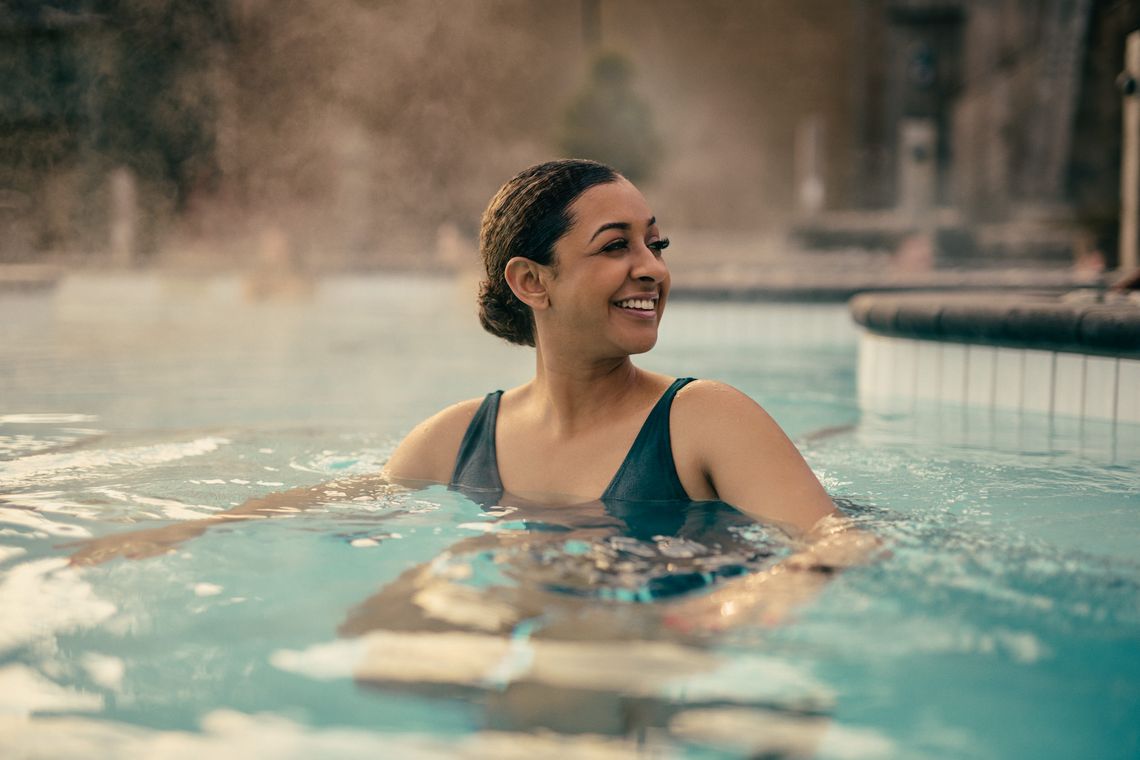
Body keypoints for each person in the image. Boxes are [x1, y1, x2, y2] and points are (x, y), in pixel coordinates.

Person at [69, 159, 876, 630]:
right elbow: (335, 500)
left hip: (660, 630)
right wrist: (182, 532)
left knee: (567, 656)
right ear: (531, 282)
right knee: (381, 628)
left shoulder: (702, 419)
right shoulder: (464, 437)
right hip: (571, 605)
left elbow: (841, 542)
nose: (653, 267)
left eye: (654, 243)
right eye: (615, 246)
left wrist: (738, 611)